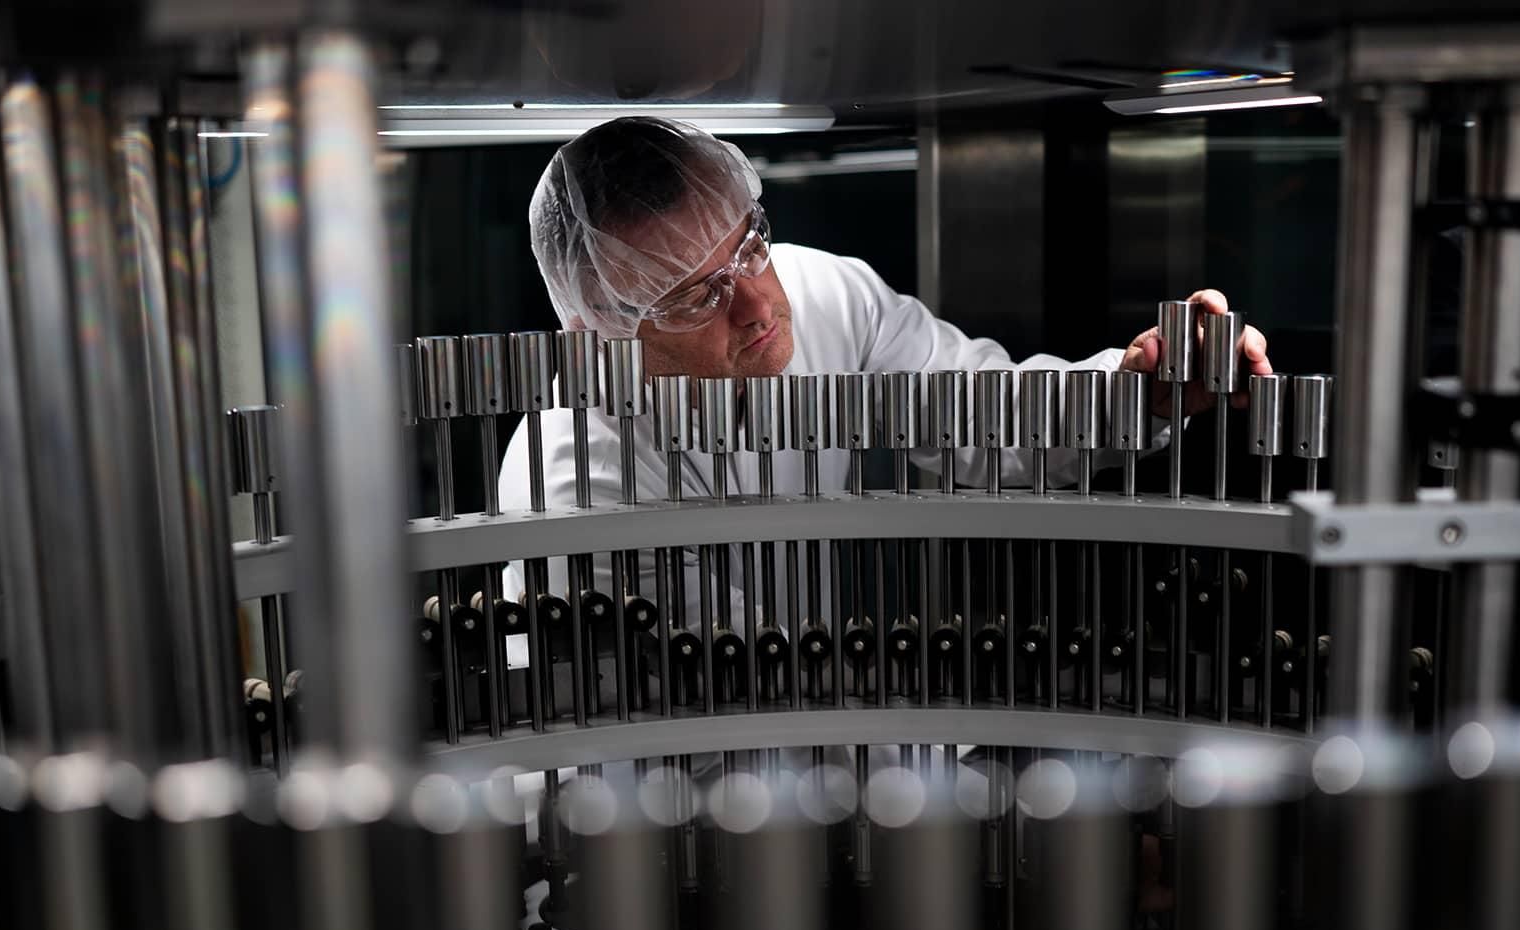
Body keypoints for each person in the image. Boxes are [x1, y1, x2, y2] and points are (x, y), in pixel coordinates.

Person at [496, 115, 1272, 627]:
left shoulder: (826, 293)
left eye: (748, 246)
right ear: (604, 331)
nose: (759, 304)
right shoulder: (577, 480)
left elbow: (982, 411)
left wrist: (1139, 392)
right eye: (700, 295)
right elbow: (710, 698)